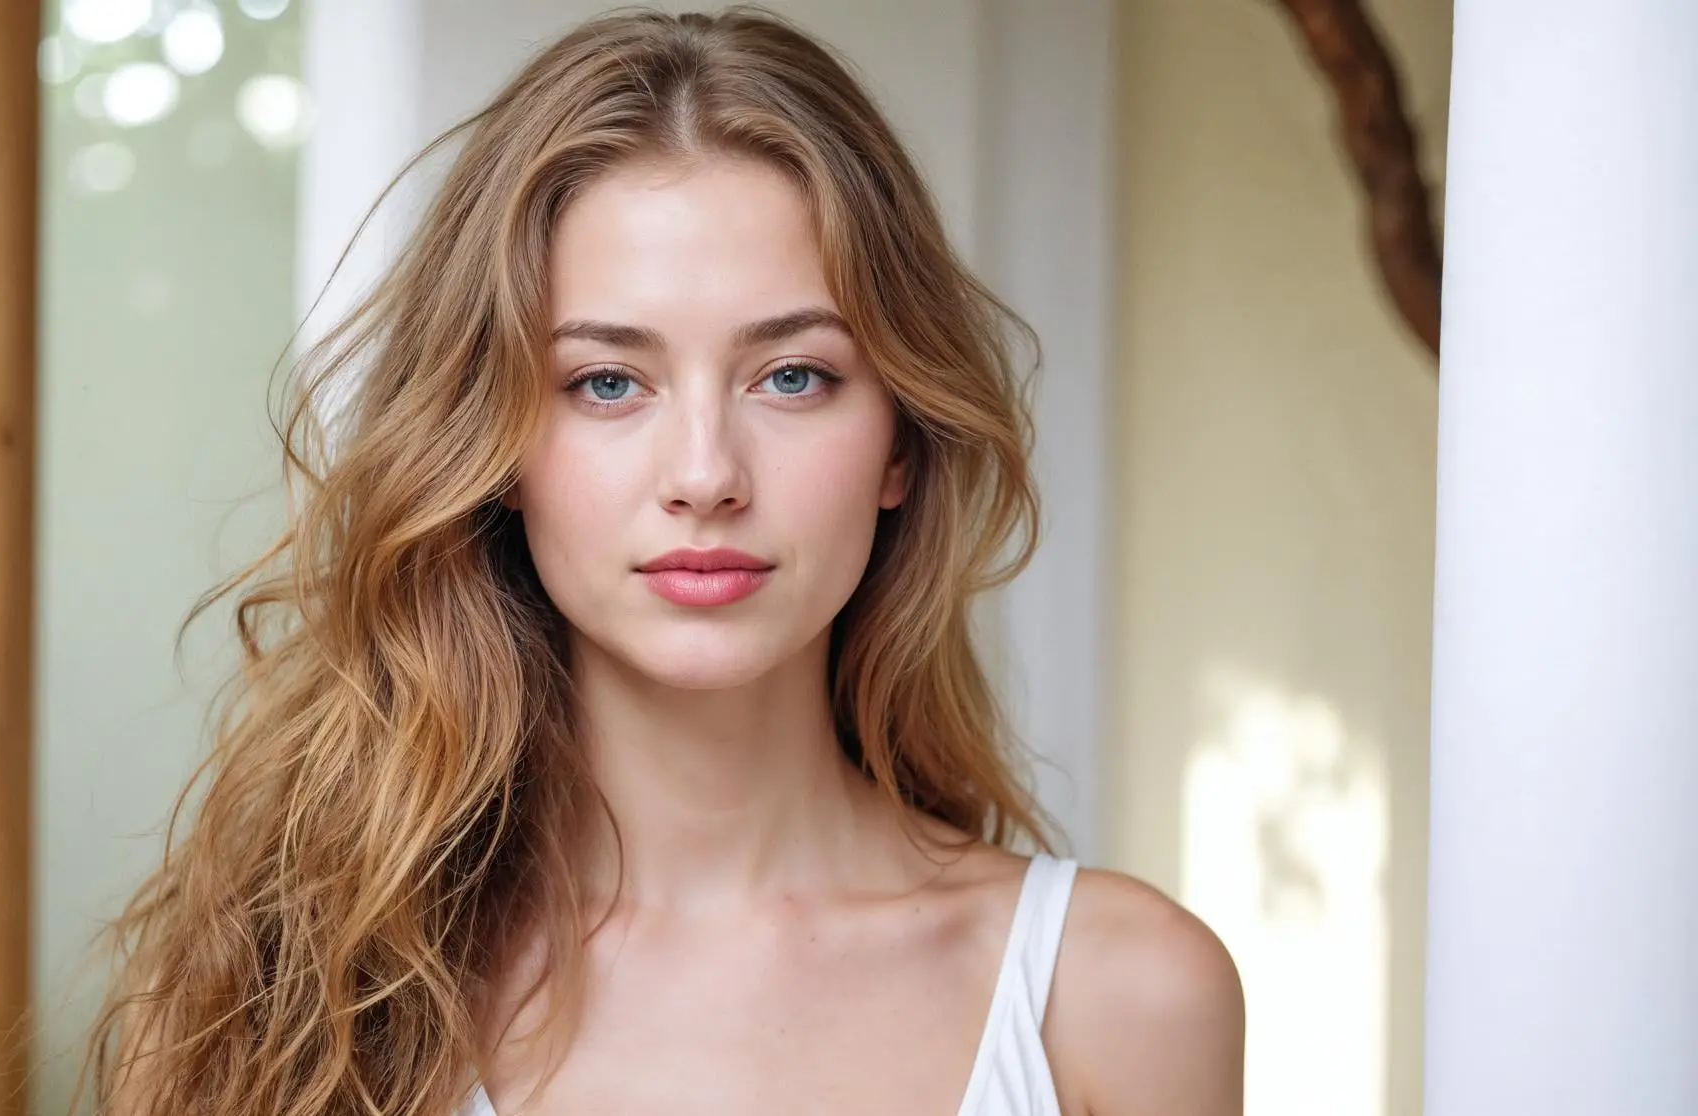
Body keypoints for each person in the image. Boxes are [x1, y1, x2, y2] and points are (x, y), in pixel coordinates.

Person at [88, 8, 1245, 1116]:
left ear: (900, 441)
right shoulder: (273, 999)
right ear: (493, 450)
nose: (704, 474)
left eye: (791, 376)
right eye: (606, 383)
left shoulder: (1116, 1000)